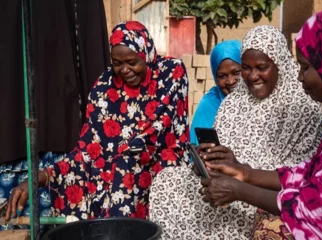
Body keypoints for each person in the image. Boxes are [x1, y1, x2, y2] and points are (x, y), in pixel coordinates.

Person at [202, 9, 322, 239]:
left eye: (306, 67)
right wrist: (244, 173)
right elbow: (313, 172)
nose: (299, 77)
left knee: (272, 231)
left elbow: (318, 207)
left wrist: (239, 190)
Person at [149, 26, 322, 239]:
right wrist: (209, 161)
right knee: (169, 180)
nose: (252, 76)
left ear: (280, 64)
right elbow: (223, 150)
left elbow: (299, 173)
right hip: (227, 178)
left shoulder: (303, 105)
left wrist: (240, 173)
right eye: (246, 68)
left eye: (262, 67)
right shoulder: (234, 102)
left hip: (264, 192)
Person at [5, 21, 190, 220]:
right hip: (117, 168)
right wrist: (40, 177)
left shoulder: (171, 73)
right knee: (92, 172)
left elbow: (157, 130)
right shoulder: (105, 85)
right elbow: (88, 150)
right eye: (117, 63)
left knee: (125, 166)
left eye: (132, 62)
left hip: (162, 164)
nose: (124, 70)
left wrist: (117, 158)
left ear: (146, 54)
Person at [190, 40, 241, 145]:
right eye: (222, 76)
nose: (230, 81)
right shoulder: (208, 105)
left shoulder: (260, 102)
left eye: (236, 73)